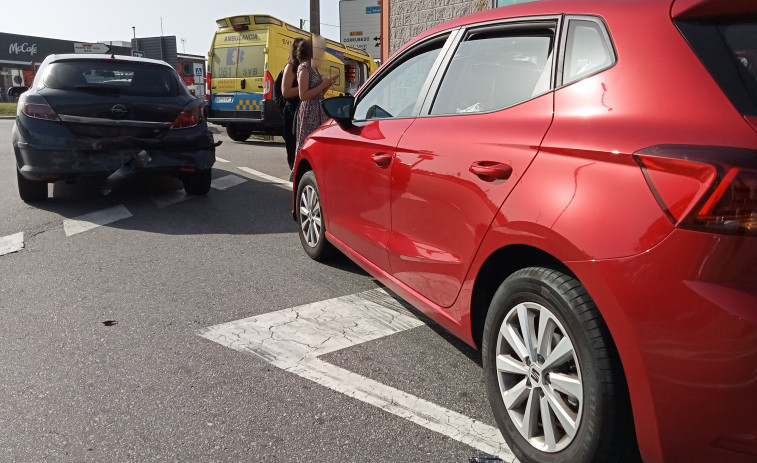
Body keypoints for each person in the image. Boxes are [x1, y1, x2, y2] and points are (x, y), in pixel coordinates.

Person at [293, 37, 338, 160]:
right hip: (309, 112)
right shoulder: (304, 68)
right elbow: (303, 95)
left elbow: (319, 93)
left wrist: (327, 84)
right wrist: (323, 84)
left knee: (318, 142)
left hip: (319, 109)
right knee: (307, 141)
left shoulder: (314, 67)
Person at [278, 39, 303, 170]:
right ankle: (293, 169)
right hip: (293, 110)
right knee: (293, 143)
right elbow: (286, 92)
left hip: (306, 109)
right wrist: (305, 87)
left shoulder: (308, 66)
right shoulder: (290, 67)